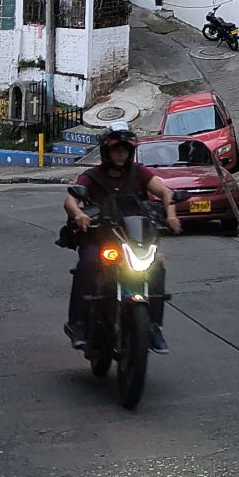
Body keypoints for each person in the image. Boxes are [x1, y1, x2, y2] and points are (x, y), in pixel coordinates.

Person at [64, 125, 180, 353]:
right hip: (101, 239)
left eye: (125, 149)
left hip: (134, 239)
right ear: (106, 151)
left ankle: (154, 327)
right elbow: (70, 200)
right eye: (116, 149)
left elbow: (165, 192)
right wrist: (79, 214)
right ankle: (78, 324)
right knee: (88, 264)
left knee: (156, 265)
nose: (121, 154)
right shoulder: (92, 176)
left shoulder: (139, 172)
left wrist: (171, 214)